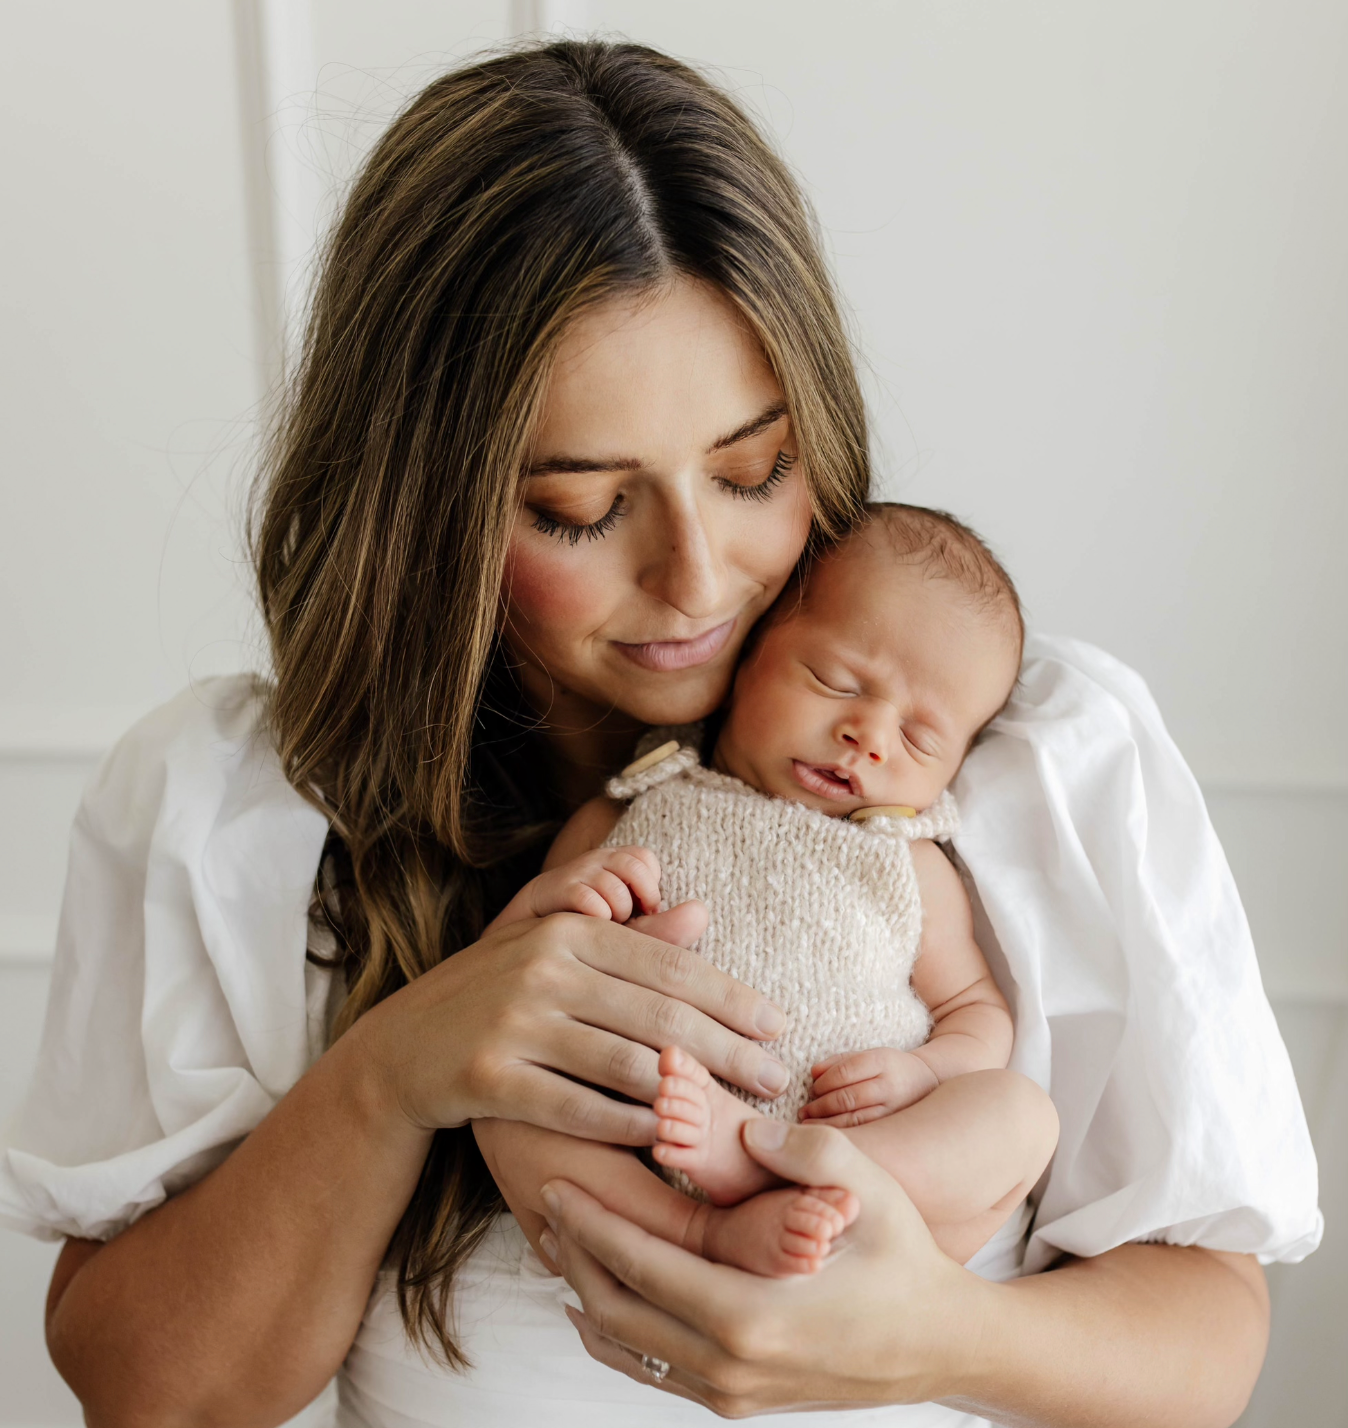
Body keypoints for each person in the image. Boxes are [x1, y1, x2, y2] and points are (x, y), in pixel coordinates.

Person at [0, 37, 1318, 1428]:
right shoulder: (238, 817)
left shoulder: (1023, 756)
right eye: (580, 509)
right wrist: (387, 1080)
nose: (696, 581)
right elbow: (149, 1397)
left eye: (754, 471)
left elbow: (1209, 1349)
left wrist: (937, 1341)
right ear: (426, 513)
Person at [476, 504, 1059, 1278]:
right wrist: (586, 902)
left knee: (1022, 1118)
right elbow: (525, 972)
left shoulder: (909, 865)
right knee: (503, 1104)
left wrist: (925, 1074)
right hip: (647, 1134)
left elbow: (974, 1012)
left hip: (851, 1157)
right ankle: (695, 1231)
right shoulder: (629, 811)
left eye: (920, 738)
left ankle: (805, 1179)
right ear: (743, 656)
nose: (869, 737)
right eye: (835, 681)